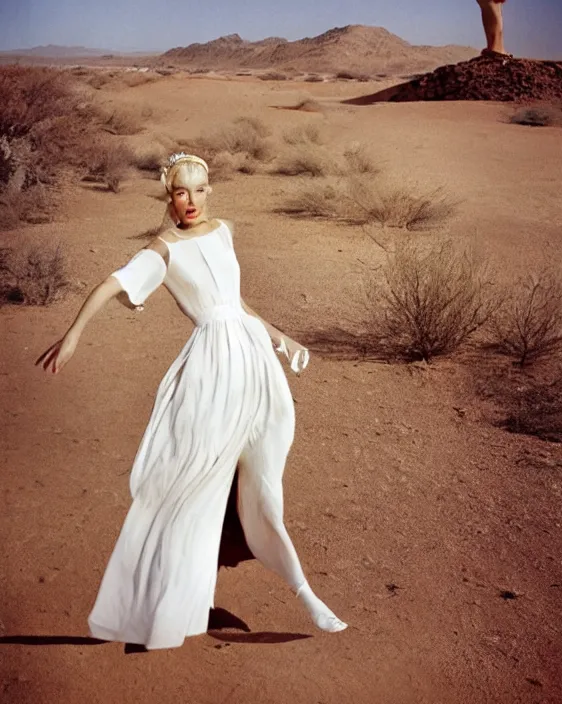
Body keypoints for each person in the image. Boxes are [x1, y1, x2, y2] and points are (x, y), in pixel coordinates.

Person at [36, 152, 348, 650]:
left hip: (257, 367)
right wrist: (74, 334)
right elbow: (111, 284)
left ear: (210, 191)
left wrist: (281, 338)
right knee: (192, 491)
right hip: (210, 376)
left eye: (200, 189)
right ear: (169, 196)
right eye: (182, 192)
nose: (192, 201)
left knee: (264, 482)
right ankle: (162, 601)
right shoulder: (162, 249)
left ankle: (304, 592)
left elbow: (237, 303)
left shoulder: (223, 230)